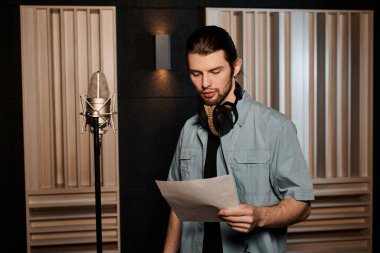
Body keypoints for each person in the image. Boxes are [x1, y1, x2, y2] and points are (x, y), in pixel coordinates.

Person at [163, 25, 314, 253]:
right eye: (196, 73)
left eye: (215, 72)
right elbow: (177, 205)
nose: (205, 83)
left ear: (236, 67)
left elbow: (302, 206)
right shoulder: (188, 129)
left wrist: (261, 215)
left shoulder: (276, 126)